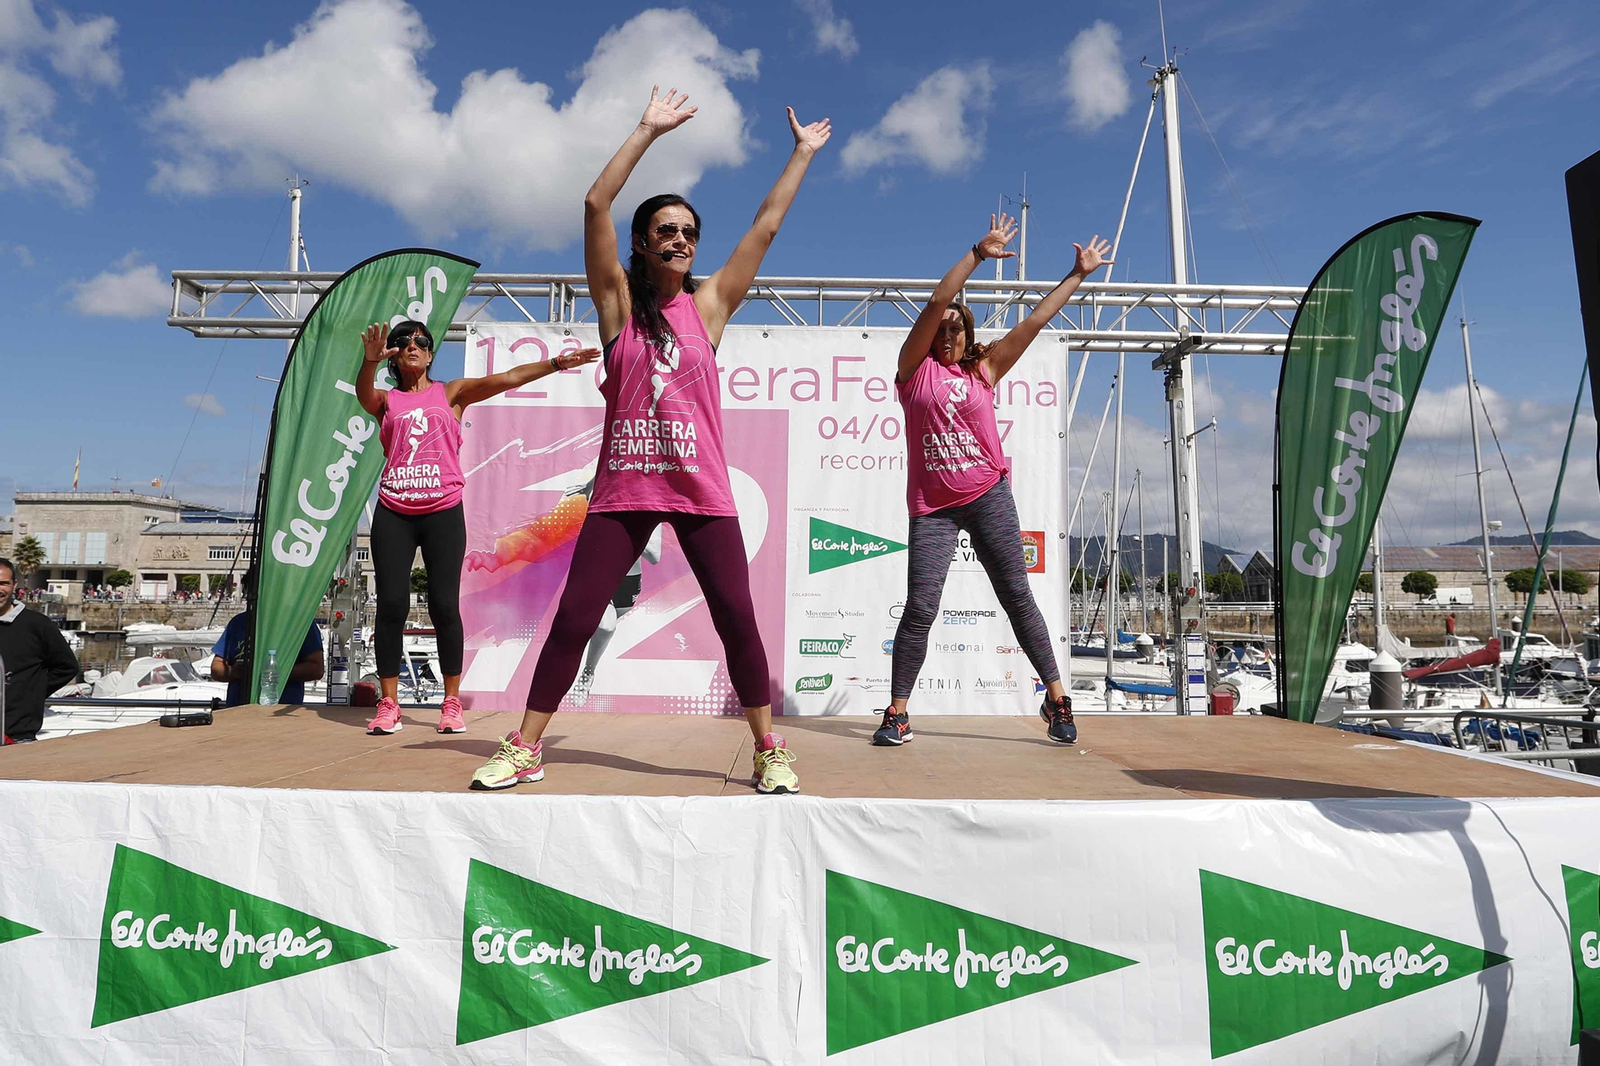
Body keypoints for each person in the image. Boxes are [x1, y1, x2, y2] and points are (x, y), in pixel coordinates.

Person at [469, 87, 831, 793]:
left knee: (737, 620)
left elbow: (766, 226)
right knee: (575, 615)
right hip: (624, 489)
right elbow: (594, 205)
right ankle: (526, 745)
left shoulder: (711, 305)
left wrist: (801, 156)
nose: (679, 240)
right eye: (665, 230)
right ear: (643, 242)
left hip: (702, 490)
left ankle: (767, 749)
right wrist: (646, 131)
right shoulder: (618, 308)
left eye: (688, 232)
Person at [874, 214, 1112, 748]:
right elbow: (938, 302)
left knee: (1018, 597)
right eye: (945, 327)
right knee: (920, 607)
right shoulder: (914, 372)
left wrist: (1076, 275)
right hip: (932, 507)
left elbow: (1033, 323)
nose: (951, 331)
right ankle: (897, 712)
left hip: (988, 496)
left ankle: (1056, 700)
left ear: (971, 335)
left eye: (961, 326)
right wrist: (976, 256)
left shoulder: (983, 371)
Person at [356, 316, 600, 736]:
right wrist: (368, 362)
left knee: (444, 606)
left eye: (421, 341)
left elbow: (508, 377)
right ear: (393, 356)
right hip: (394, 511)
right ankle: (389, 703)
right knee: (392, 606)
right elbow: (363, 394)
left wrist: (558, 363)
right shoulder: (385, 400)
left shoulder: (451, 393)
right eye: (404, 342)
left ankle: (451, 703)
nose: (413, 345)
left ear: (431, 353)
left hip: (442, 511)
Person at [210, 568, 325, 707]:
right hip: (238, 711)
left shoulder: (300, 623)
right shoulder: (238, 622)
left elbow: (316, 669)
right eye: (250, 592)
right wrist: (235, 672)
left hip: (280, 713)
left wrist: (272, 672)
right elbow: (216, 667)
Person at [0, 557, 79, 743]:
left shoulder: (37, 625)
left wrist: (30, 692)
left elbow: (67, 667)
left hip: (18, 737)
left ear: (14, 585)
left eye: (3, 583)